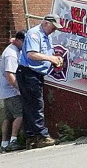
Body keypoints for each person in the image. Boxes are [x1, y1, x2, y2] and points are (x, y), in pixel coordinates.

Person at [16, 13, 64, 148]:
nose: (54, 30)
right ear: (45, 23)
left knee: (30, 105)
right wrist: (51, 59)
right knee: (36, 105)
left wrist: (55, 59)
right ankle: (42, 136)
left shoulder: (45, 36)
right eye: (53, 27)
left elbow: (45, 53)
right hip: (28, 73)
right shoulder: (34, 34)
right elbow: (31, 54)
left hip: (34, 74)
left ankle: (31, 137)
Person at [0, 30, 25, 153]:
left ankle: (4, 144)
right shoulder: (11, 54)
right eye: (25, 42)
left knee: (8, 117)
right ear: (18, 40)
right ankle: (13, 141)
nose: (26, 45)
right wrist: (20, 89)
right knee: (20, 115)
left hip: (5, 91)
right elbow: (9, 75)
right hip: (11, 91)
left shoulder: (12, 49)